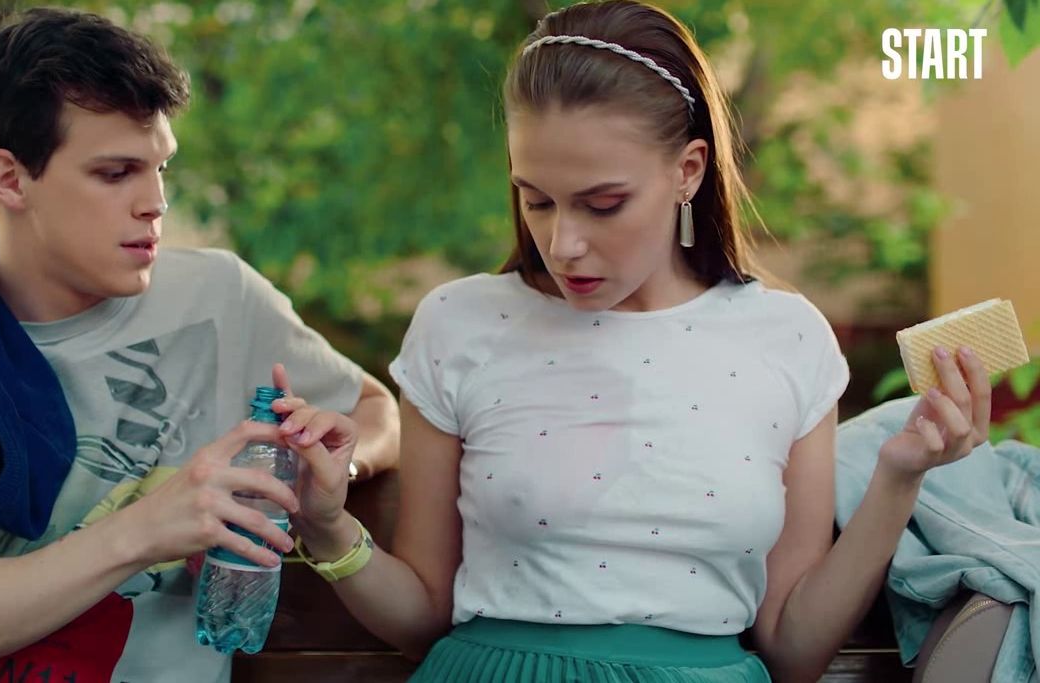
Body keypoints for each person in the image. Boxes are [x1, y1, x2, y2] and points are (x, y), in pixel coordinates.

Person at [283, 2, 991, 681]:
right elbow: (421, 618)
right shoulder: (458, 324)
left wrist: (900, 478)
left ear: (688, 171)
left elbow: (793, 652)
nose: (563, 242)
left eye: (602, 204)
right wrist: (327, 526)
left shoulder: (789, 339)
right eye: (536, 199)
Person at [0, 7, 399, 682]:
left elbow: (374, 409)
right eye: (116, 173)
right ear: (10, 178)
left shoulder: (221, 297)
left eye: (160, 167)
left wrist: (333, 471)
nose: (156, 202)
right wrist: (146, 529)